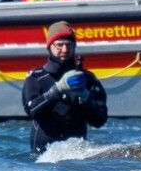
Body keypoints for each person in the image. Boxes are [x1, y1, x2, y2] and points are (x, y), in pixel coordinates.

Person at [22, 21, 108, 153]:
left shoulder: (87, 78)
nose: (65, 50)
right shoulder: (36, 78)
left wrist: (86, 99)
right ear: (50, 46)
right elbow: (31, 110)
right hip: (42, 157)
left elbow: (99, 121)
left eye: (69, 45)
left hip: (77, 155)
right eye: (59, 45)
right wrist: (56, 90)